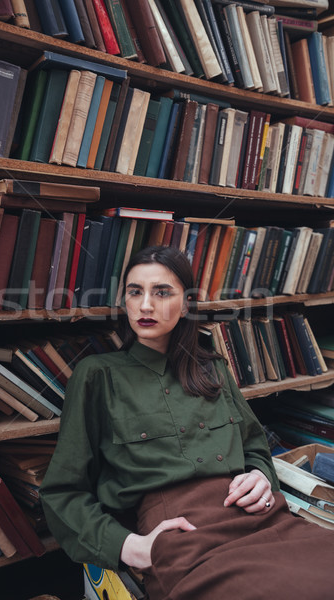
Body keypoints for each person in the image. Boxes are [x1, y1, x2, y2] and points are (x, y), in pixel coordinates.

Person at [40, 245, 334, 600]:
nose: (145, 305)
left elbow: (255, 447)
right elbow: (62, 492)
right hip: (183, 538)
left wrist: (259, 476)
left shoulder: (213, 369)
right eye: (135, 292)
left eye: (162, 292)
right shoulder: (97, 376)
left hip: (266, 521)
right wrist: (130, 547)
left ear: (186, 304)